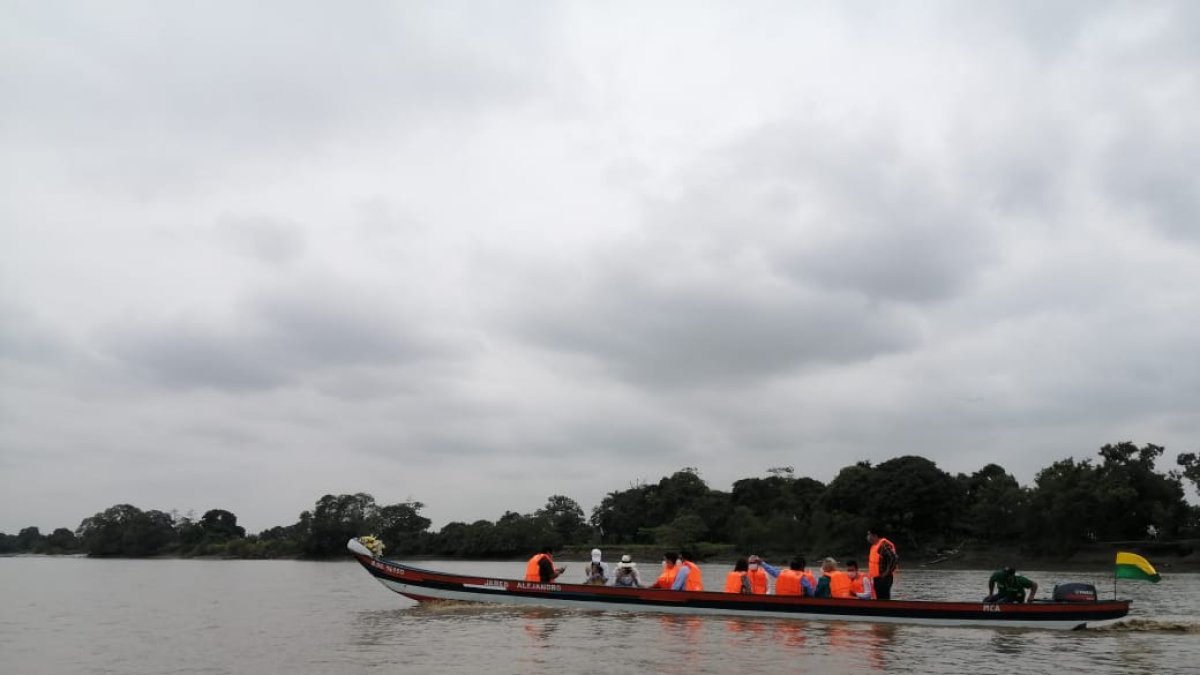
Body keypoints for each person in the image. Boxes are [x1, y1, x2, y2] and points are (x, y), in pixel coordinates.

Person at [866, 529, 898, 600]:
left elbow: (894, 558)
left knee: (884, 598)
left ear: (875, 536)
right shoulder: (874, 546)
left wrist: (887, 572)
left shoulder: (883, 545)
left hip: (884, 578)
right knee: (879, 598)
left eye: (869, 535)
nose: (868, 537)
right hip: (877, 578)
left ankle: (886, 610)